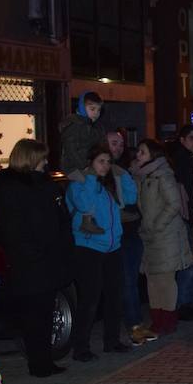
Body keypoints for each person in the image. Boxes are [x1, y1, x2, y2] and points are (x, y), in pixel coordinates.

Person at [0, 139, 73, 377]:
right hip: (30, 264)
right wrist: (34, 253)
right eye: (42, 158)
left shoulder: (44, 185)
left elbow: (58, 219)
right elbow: (14, 229)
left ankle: (44, 360)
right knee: (33, 317)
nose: (46, 162)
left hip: (46, 261)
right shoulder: (13, 188)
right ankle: (38, 363)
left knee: (45, 313)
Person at [65, 143, 137, 361]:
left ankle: (112, 341)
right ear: (90, 163)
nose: (105, 166)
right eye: (100, 162)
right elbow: (83, 204)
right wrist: (88, 178)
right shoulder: (80, 183)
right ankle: (81, 348)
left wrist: (123, 175)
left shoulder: (108, 185)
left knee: (114, 296)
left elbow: (132, 198)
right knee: (90, 299)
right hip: (89, 247)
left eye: (108, 162)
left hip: (112, 246)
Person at [132, 139, 193, 338]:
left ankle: (167, 321)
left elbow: (173, 204)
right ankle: (157, 319)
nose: (138, 155)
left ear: (153, 154)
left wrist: (157, 224)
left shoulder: (162, 175)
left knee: (165, 279)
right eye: (138, 152)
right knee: (152, 278)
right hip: (151, 235)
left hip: (166, 235)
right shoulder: (142, 175)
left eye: (142, 151)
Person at [108, 129, 152, 344]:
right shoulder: (104, 172)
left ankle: (135, 323)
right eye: (113, 143)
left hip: (131, 228)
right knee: (125, 281)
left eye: (120, 144)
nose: (117, 148)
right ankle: (131, 325)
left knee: (130, 280)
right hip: (119, 230)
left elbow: (133, 198)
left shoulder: (122, 170)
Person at [171, 125, 193, 319]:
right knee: (190, 263)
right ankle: (184, 303)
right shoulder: (183, 161)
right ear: (182, 140)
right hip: (189, 217)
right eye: (192, 138)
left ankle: (190, 301)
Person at [59, 92, 106, 175]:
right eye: (92, 109)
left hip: (87, 166)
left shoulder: (94, 127)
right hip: (74, 168)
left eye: (98, 110)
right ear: (82, 107)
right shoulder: (75, 124)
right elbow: (70, 148)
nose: (96, 113)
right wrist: (83, 166)